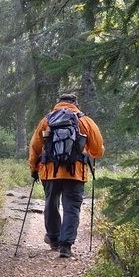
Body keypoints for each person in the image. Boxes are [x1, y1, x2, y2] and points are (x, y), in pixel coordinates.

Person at [27, 92, 104, 259]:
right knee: (71, 207)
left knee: (51, 203)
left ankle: (53, 239)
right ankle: (66, 246)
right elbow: (97, 150)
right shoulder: (85, 121)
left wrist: (34, 168)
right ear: (76, 103)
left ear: (58, 103)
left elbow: (35, 146)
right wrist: (86, 151)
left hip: (50, 171)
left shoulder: (46, 120)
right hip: (75, 172)